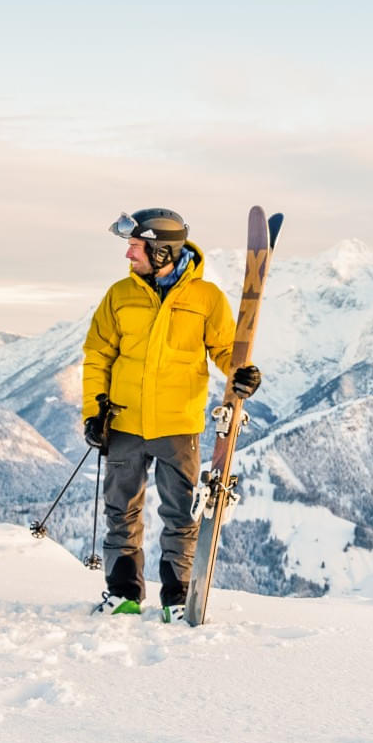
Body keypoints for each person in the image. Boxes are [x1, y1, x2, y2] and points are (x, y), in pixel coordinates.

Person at [82, 208, 262, 621]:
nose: (128, 255)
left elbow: (224, 352)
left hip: (178, 426)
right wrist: (94, 411)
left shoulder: (206, 299)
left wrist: (242, 376)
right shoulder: (119, 295)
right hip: (124, 423)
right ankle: (123, 593)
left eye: (135, 247)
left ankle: (177, 599)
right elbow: (98, 356)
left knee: (180, 515)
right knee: (120, 510)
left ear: (162, 252)